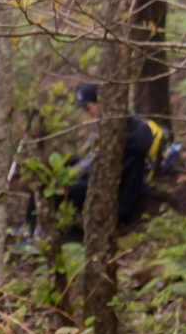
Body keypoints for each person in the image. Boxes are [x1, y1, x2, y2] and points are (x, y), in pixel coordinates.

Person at [68, 81, 162, 226]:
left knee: (69, 189)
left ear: (99, 103)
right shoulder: (102, 126)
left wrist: (70, 176)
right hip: (104, 183)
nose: (88, 114)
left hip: (119, 194)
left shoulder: (130, 131)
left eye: (88, 108)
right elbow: (85, 155)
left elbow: (92, 161)